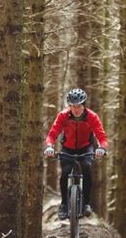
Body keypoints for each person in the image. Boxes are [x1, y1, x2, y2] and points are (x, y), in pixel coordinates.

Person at [44, 88, 108, 220]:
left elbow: (102, 137)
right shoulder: (63, 116)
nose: (76, 109)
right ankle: (63, 205)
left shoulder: (92, 117)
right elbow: (52, 134)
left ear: (83, 105)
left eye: (79, 106)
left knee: (86, 168)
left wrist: (101, 148)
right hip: (68, 148)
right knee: (66, 172)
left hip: (86, 148)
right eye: (73, 106)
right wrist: (49, 146)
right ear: (70, 106)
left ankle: (86, 204)